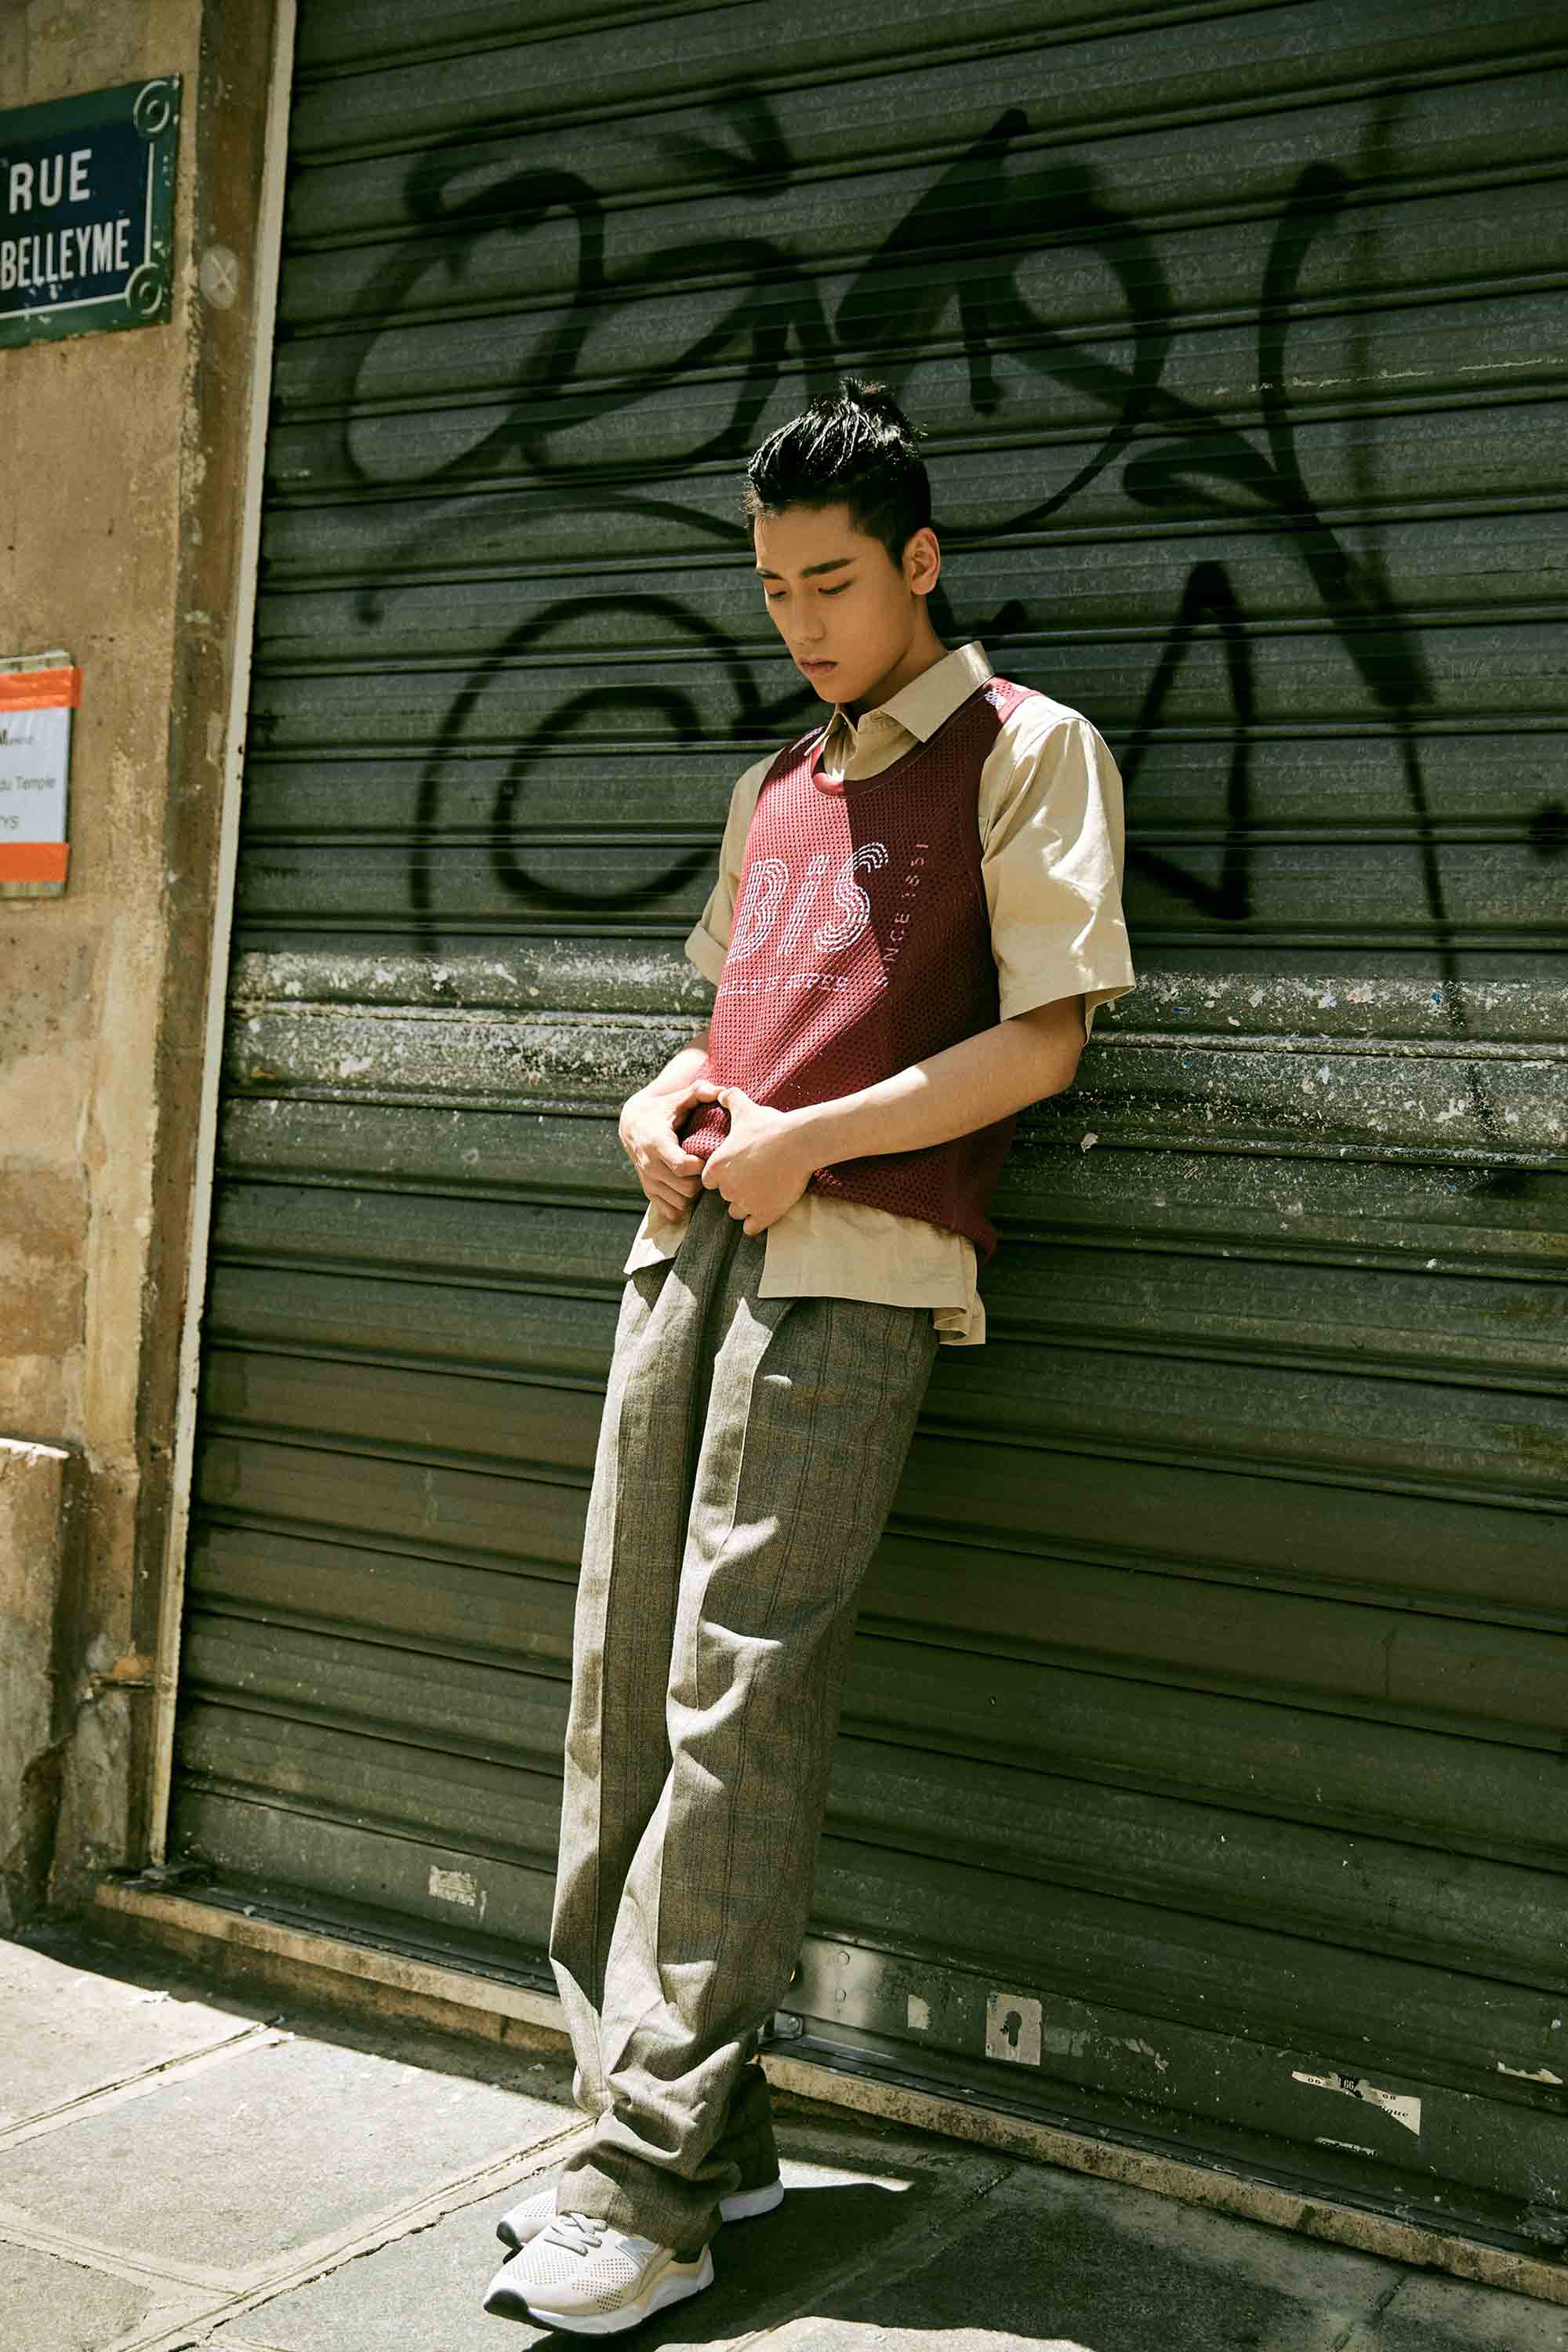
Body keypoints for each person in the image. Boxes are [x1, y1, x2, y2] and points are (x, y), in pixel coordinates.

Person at [482, 377, 1137, 2335]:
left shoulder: (1029, 751)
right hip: (689, 1242)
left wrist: (808, 1143)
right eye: (771, 589)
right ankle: (707, 2126)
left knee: (736, 1705)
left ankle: (650, 2185)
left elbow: (1043, 1042)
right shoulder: (779, 781)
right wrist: (663, 1098)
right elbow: (729, 1025)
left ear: (920, 561)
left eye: (831, 584)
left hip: (851, 1265)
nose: (799, 623)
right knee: (623, 1689)